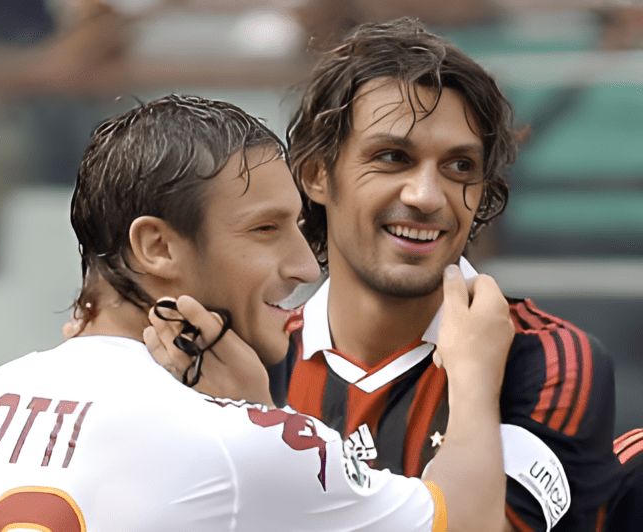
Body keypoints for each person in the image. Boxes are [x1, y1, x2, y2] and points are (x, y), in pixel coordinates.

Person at [0, 94, 517, 532]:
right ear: (157, 247)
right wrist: (472, 371)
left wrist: (253, 408)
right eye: (266, 229)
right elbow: (468, 520)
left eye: (299, 228)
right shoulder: (231, 445)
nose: (306, 265)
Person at [146, 19, 634, 532]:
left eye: (460, 167)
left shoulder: (544, 359)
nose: (426, 196)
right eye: (392, 157)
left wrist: (257, 424)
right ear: (315, 174)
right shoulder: (245, 361)